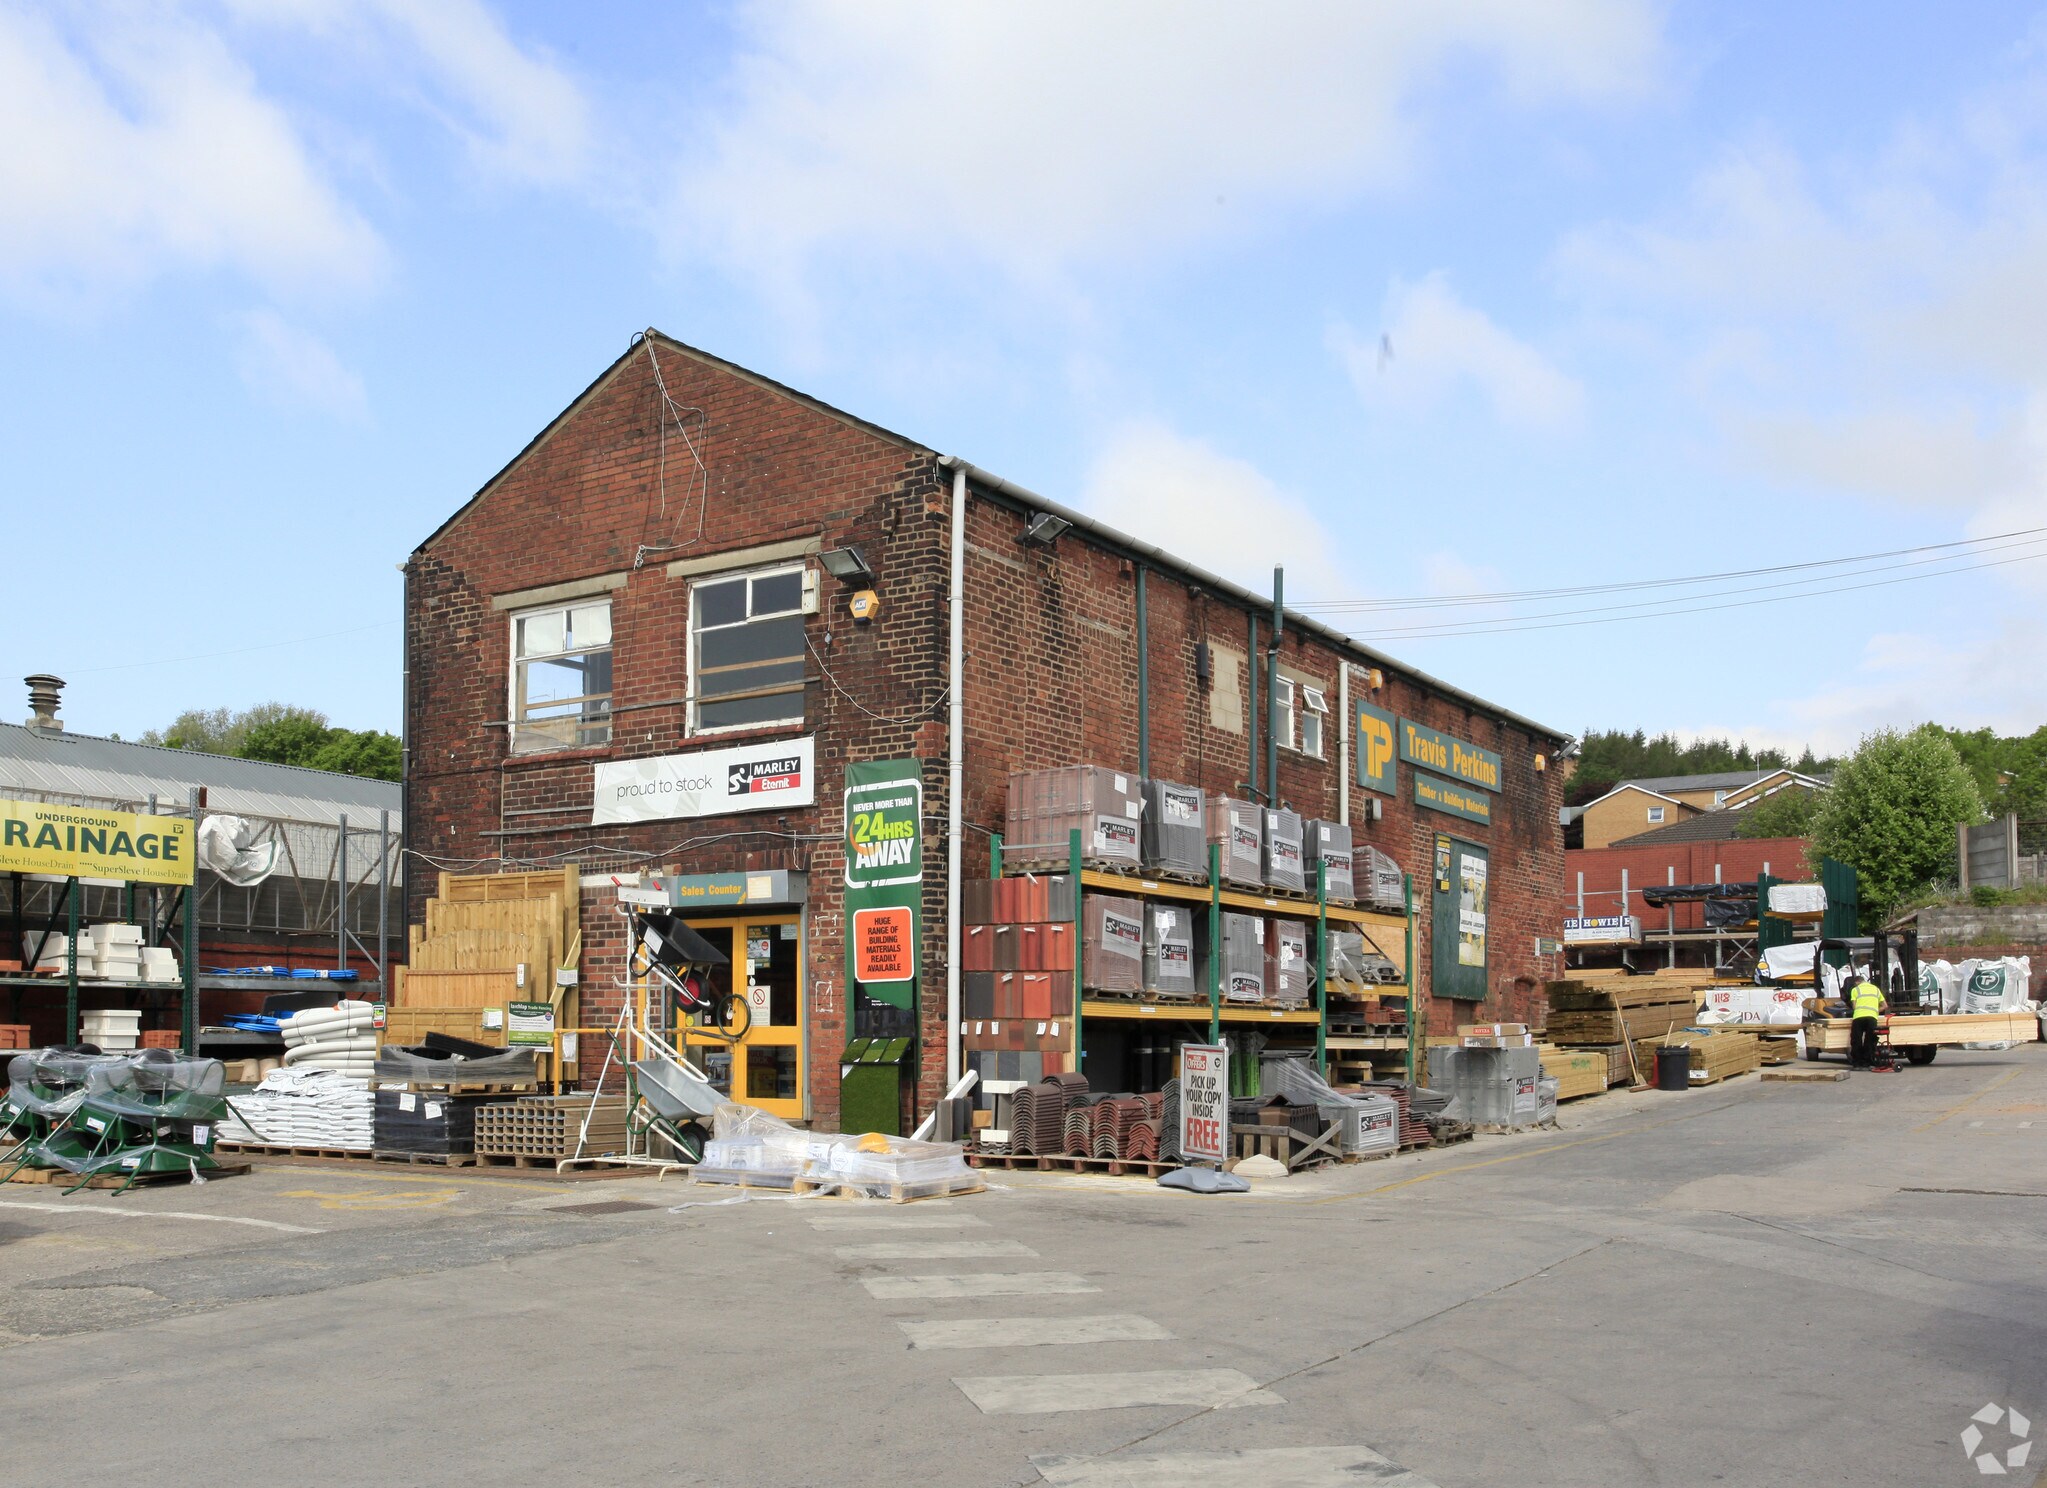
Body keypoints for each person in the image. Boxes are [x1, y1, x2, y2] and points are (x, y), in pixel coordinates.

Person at [1848, 973, 1888, 1069]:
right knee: (1870, 1040)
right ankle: (1868, 1063)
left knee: (1856, 1040)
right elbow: (1885, 1006)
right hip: (1872, 1017)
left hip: (1859, 1017)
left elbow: (1854, 1006)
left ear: (1857, 982)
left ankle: (1857, 1063)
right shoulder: (1876, 989)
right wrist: (1874, 1010)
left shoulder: (1855, 989)